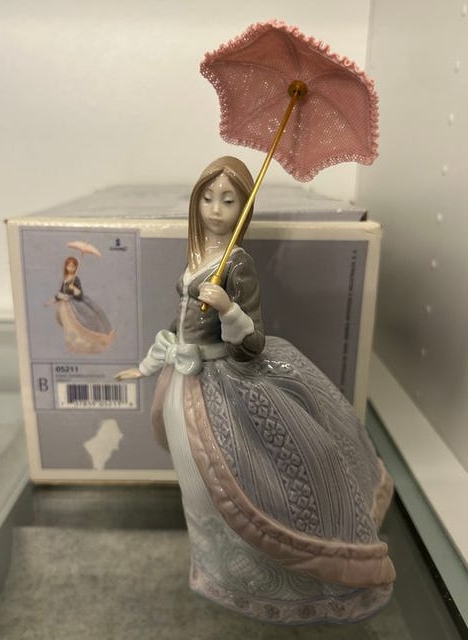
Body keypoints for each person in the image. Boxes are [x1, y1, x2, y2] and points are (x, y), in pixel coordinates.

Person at [116, 156, 395, 624]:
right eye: (208, 198)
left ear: (244, 207)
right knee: (195, 482)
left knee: (237, 481)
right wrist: (146, 364)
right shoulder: (197, 253)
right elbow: (178, 325)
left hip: (222, 382)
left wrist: (228, 309)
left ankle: (257, 569)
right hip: (184, 380)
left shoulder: (237, 263)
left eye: (228, 200)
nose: (215, 209)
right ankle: (213, 565)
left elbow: (252, 344)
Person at [47, 256, 115, 353]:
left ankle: (92, 340)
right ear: (66, 267)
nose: (70, 268)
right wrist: (52, 301)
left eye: (73, 266)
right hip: (66, 308)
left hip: (76, 304)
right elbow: (61, 293)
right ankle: (74, 344)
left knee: (88, 317)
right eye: (69, 266)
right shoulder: (65, 279)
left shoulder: (76, 279)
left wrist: (74, 288)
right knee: (70, 326)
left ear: (75, 267)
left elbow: (79, 295)